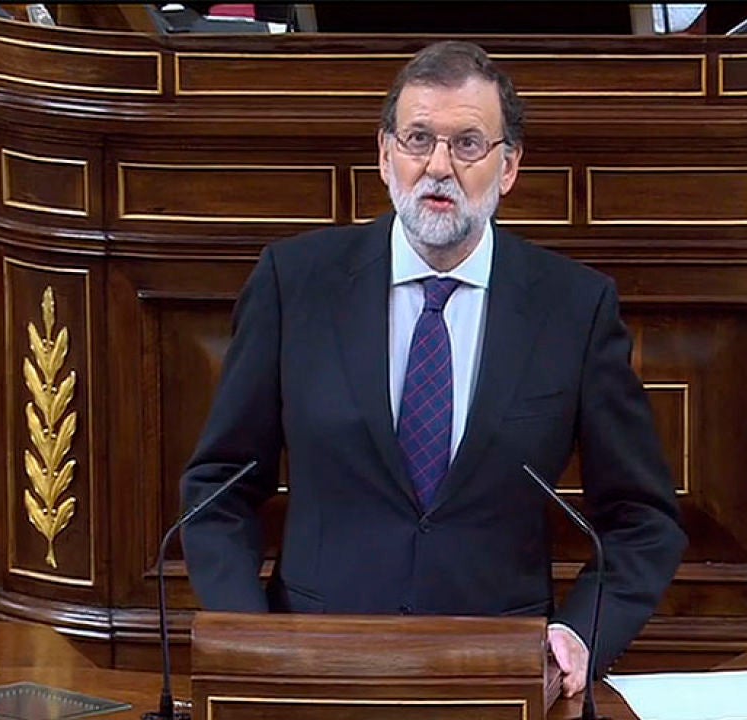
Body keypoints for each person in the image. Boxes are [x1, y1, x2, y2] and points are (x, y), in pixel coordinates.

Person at [181, 40, 687, 696]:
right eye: (418, 139)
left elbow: (643, 519)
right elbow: (218, 488)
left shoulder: (573, 307)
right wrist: (252, 641)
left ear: (508, 166)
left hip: (498, 678)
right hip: (314, 669)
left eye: (468, 144)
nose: (439, 166)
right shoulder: (295, 283)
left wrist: (582, 631)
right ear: (385, 155)